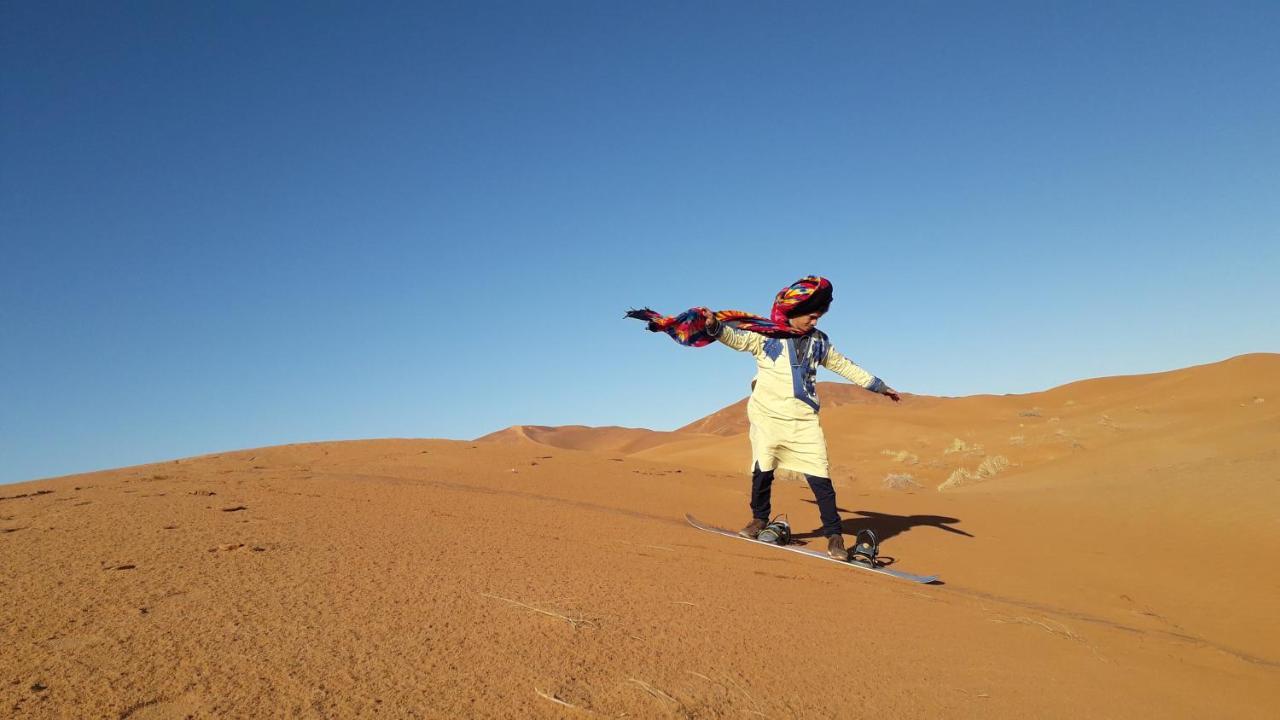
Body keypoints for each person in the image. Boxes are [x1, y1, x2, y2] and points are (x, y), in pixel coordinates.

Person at [627, 276, 900, 560]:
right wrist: (714, 327)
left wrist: (879, 386)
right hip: (768, 415)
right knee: (763, 469)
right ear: (792, 312)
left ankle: (834, 536)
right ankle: (759, 519)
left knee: (820, 476)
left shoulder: (820, 343)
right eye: (810, 315)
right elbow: (737, 339)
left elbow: (845, 366)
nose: (815, 321)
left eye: (819, 316)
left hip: (803, 419)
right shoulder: (766, 336)